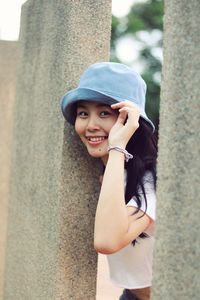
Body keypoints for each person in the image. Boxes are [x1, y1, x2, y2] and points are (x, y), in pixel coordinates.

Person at [60, 62, 157, 300]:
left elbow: (107, 241)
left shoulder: (151, 180)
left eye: (105, 113)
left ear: (131, 122)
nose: (91, 125)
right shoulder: (110, 175)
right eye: (83, 113)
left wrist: (117, 148)